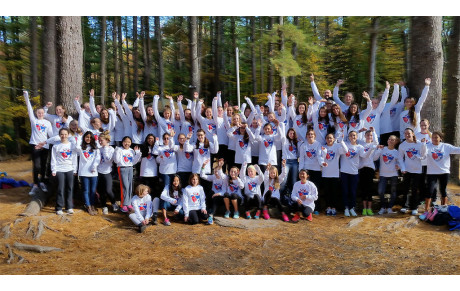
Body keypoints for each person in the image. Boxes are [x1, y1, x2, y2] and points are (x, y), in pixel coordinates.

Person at [419, 132, 460, 219]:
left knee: (443, 190)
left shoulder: (446, 146)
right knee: (429, 190)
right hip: (432, 172)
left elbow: (457, 150)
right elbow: (422, 155)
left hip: (444, 172)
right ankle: (426, 210)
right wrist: (423, 144)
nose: (434, 139)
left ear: (440, 138)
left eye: (436, 137)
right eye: (433, 137)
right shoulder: (428, 146)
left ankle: (443, 209)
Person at [24, 91, 53, 195]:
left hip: (45, 146)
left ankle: (43, 183)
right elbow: (29, 108)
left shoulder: (47, 123)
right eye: (39, 113)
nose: (40, 114)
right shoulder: (34, 121)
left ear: (44, 113)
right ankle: (35, 184)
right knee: (36, 166)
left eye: (42, 113)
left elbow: (51, 134)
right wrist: (26, 96)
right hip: (35, 144)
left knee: (44, 166)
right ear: (36, 114)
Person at [340, 131, 375, 217]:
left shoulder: (359, 147)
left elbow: (364, 156)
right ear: (348, 137)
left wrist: (371, 148)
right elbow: (342, 151)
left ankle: (352, 208)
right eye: (351, 135)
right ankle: (346, 208)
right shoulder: (345, 144)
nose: (353, 137)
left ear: (357, 136)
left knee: (353, 191)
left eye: (354, 135)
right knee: (345, 191)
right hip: (344, 171)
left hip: (354, 172)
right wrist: (341, 140)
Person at [399, 128, 426, 215]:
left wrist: (423, 144)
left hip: (417, 170)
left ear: (413, 134)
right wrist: (403, 168)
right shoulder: (402, 145)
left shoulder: (419, 143)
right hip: (407, 170)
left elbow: (423, 155)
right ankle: (404, 206)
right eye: (405, 133)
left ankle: (414, 207)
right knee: (406, 188)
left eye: (409, 133)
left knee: (415, 189)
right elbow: (400, 158)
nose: (407, 135)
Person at [51, 128, 78, 215]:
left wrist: (75, 169)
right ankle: (59, 207)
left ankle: (69, 207)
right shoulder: (56, 146)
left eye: (65, 134)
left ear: (68, 135)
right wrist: (53, 169)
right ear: (59, 135)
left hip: (69, 169)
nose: (64, 136)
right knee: (60, 188)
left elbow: (74, 158)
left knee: (69, 188)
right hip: (59, 169)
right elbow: (53, 158)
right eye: (62, 134)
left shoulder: (72, 146)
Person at [321, 133, 348, 216]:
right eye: (328, 138)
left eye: (331, 138)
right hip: (325, 173)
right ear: (325, 139)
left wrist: (341, 141)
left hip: (335, 173)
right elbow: (320, 157)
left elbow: (346, 151)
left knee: (334, 192)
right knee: (327, 192)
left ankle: (334, 207)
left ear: (334, 139)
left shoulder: (337, 147)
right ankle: (328, 207)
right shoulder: (323, 147)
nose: (329, 139)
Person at [113, 136, 142, 213]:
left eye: (129, 142)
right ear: (122, 142)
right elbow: (116, 161)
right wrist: (116, 152)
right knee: (124, 186)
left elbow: (134, 162)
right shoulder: (119, 149)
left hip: (130, 168)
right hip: (122, 168)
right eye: (125, 141)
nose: (127, 143)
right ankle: (123, 205)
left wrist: (138, 154)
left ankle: (128, 203)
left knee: (130, 186)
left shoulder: (131, 150)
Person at [374, 136, 402, 215]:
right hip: (383, 174)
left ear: (395, 142)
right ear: (387, 141)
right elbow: (375, 158)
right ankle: (383, 207)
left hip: (393, 174)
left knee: (393, 192)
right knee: (380, 191)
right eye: (389, 139)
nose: (391, 141)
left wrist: (398, 166)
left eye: (393, 140)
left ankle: (389, 207)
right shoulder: (383, 149)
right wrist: (379, 150)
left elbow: (400, 162)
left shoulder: (397, 152)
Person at [75, 131, 101, 215]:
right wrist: (79, 137)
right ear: (84, 138)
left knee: (93, 190)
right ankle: (88, 205)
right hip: (83, 171)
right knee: (86, 190)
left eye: (90, 137)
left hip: (93, 172)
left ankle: (93, 204)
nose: (88, 139)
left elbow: (98, 158)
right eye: (86, 137)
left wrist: (94, 166)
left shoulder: (96, 147)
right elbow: (76, 147)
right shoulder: (81, 147)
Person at [358, 128, 379, 216]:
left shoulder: (374, 145)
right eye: (368, 135)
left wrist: (374, 131)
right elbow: (353, 136)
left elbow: (376, 142)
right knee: (363, 188)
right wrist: (360, 131)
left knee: (369, 188)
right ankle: (364, 208)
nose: (369, 137)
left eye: (371, 135)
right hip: (362, 168)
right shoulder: (361, 144)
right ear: (365, 136)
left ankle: (369, 208)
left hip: (370, 168)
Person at [97, 131, 118, 214]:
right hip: (99, 172)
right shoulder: (99, 149)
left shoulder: (111, 149)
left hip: (107, 172)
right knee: (101, 191)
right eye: (99, 140)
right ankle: (104, 205)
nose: (100, 142)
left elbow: (107, 160)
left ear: (107, 140)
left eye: (101, 140)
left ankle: (113, 203)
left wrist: (105, 148)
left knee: (108, 190)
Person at [200, 159, 227, 224]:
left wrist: (218, 194)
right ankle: (205, 212)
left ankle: (211, 215)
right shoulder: (213, 177)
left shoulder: (224, 178)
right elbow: (202, 176)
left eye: (217, 171)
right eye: (215, 172)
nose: (216, 173)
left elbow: (224, 191)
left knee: (215, 198)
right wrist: (203, 166)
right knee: (210, 193)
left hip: (221, 196)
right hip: (212, 195)